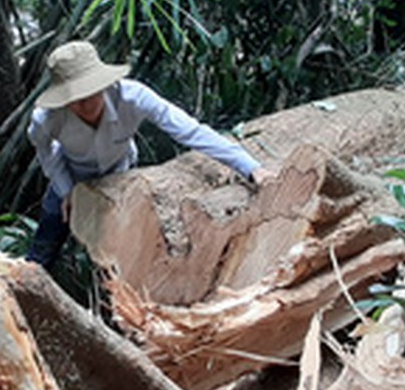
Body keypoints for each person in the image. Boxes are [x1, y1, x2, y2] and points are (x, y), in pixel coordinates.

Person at [25, 40, 271, 268]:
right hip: (72, 173)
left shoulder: (133, 97)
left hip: (120, 174)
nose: (87, 104)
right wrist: (65, 188)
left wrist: (250, 167)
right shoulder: (45, 120)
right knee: (44, 247)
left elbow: (190, 131)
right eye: (77, 99)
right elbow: (46, 151)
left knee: (120, 256)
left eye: (92, 93)